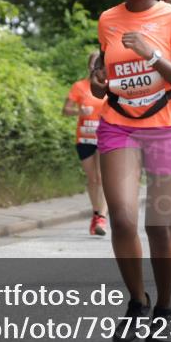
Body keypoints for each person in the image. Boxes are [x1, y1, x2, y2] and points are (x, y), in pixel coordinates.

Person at [89, 0, 171, 342]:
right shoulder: (107, 20)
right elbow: (103, 79)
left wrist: (152, 56)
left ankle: (165, 308)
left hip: (168, 126)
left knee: (158, 225)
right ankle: (137, 302)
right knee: (120, 217)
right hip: (119, 124)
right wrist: (98, 83)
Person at [64, 52, 108, 236]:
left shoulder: (109, 86)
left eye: (98, 64)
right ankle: (95, 212)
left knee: (102, 177)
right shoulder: (79, 86)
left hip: (104, 137)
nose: (94, 67)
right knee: (93, 179)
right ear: (89, 66)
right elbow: (65, 110)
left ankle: (101, 218)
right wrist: (79, 111)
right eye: (92, 63)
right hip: (85, 138)